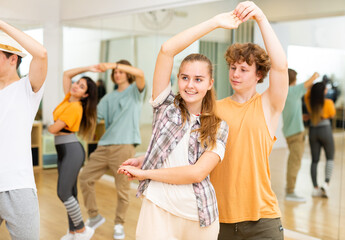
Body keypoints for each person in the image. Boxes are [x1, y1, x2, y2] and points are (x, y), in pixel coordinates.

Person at [118, 13, 231, 239]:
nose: (190, 85)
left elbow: (197, 173)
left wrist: (145, 172)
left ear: (209, 83)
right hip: (158, 210)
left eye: (198, 79)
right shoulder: (165, 107)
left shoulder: (219, 126)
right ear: (177, 79)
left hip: (200, 216)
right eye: (184, 77)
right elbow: (167, 49)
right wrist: (215, 22)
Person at [208, 2, 288, 239]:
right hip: (219, 218)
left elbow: (281, 67)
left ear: (259, 74)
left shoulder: (268, 104)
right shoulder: (215, 108)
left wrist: (261, 18)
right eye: (233, 67)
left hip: (263, 219)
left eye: (243, 69)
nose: (235, 74)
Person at [79, 60, 146, 240]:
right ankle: (94, 216)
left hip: (124, 147)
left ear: (127, 73)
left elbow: (140, 74)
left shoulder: (135, 92)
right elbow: (93, 115)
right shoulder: (108, 98)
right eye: (115, 73)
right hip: (104, 146)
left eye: (120, 72)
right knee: (85, 178)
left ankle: (119, 224)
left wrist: (113, 65)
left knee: (122, 190)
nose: (117, 74)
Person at [0, 20, 47, 239]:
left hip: (17, 185)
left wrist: (2, 25)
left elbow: (42, 54)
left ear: (12, 59)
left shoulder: (27, 89)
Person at [48, 65, 100, 240]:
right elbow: (66, 74)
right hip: (64, 150)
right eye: (77, 83)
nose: (76, 85)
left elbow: (54, 129)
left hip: (71, 151)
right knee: (71, 193)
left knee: (63, 192)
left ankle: (82, 229)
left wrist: (50, 126)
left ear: (85, 95)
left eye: (82, 86)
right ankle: (73, 232)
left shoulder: (75, 107)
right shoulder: (68, 99)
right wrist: (89, 68)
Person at [282, 69, 319, 202]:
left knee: (294, 161)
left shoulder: (285, 93)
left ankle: (290, 190)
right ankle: (290, 192)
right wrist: (315, 74)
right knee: (295, 162)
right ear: (292, 79)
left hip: (290, 131)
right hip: (296, 134)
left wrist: (301, 117)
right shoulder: (292, 91)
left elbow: (291, 110)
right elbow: (308, 83)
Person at [304, 82, 336, 198]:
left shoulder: (309, 103)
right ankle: (326, 183)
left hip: (313, 131)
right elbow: (332, 114)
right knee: (330, 157)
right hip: (325, 130)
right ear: (323, 92)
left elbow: (307, 95)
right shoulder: (328, 103)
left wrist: (311, 88)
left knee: (314, 160)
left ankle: (315, 187)